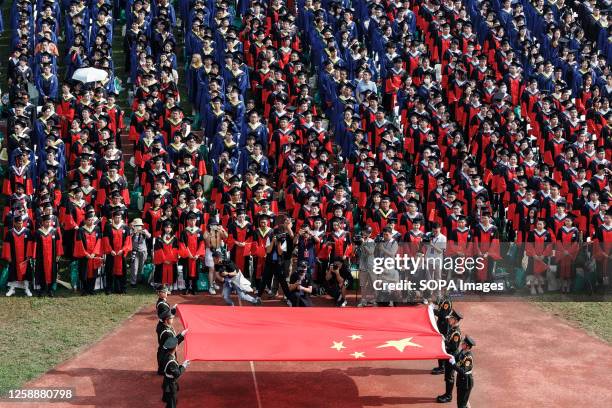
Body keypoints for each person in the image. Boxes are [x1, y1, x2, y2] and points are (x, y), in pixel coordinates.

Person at [32, 214, 63, 297]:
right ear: (42, 222)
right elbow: (35, 245)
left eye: (49, 222)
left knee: (52, 272)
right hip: (41, 257)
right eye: (46, 222)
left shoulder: (54, 231)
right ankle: (42, 289)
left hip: (52, 257)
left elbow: (58, 244)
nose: (48, 223)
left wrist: (58, 254)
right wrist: (34, 256)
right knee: (41, 272)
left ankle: (50, 290)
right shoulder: (38, 232)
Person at [3, 216, 33, 297]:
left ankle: (27, 288)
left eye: (21, 223)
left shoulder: (27, 231)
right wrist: (8, 256)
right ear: (14, 223)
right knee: (13, 272)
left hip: (24, 257)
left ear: (23, 223)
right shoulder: (10, 232)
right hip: (13, 257)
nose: (20, 224)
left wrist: (29, 255)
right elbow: (6, 245)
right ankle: (12, 289)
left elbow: (30, 244)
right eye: (18, 223)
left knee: (26, 273)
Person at [74, 212, 103, 295]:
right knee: (84, 273)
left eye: (92, 220)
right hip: (84, 256)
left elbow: (99, 242)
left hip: (94, 256)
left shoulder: (97, 228)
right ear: (85, 220)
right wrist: (85, 253)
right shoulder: (81, 230)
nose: (91, 222)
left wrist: (94, 253)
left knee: (94, 272)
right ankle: (85, 289)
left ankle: (91, 289)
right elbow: (79, 244)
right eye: (89, 220)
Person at [437, 309, 463, 403]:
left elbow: (454, 346)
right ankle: (447, 394)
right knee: (447, 376)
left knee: (449, 377)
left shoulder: (456, 333)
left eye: (451, 319)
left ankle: (449, 396)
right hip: (449, 354)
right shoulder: (452, 328)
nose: (449, 320)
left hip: (452, 356)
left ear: (455, 320)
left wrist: (444, 341)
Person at [160, 336, 190, 408]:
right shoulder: (171, 362)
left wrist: (182, 335)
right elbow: (177, 374)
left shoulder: (166, 354)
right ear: (176, 347)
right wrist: (184, 366)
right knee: (172, 403)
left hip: (167, 381)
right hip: (170, 384)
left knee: (170, 401)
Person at [156, 309, 187, 375]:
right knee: (168, 369)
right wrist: (182, 336)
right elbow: (172, 343)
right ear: (166, 320)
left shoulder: (163, 325)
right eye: (171, 318)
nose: (173, 318)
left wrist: (181, 334)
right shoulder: (167, 333)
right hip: (166, 353)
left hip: (163, 351)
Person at [449, 336, 476, 408]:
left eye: (463, 343)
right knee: (460, 402)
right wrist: (452, 357)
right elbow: (457, 358)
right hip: (461, 381)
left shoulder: (468, 358)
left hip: (466, 382)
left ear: (467, 346)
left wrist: (454, 364)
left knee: (462, 404)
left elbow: (463, 371)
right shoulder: (462, 351)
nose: (461, 344)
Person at [431, 298, 453, 375]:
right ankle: (441, 366)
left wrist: (432, 310)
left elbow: (442, 314)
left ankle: (442, 367)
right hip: (442, 324)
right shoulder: (443, 299)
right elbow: (439, 304)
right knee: (439, 346)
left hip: (444, 326)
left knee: (442, 347)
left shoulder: (446, 301)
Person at [130, 218, 151, 287]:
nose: (138, 227)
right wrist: (133, 233)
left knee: (141, 266)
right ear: (134, 226)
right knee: (134, 267)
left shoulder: (144, 231)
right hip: (134, 251)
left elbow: (149, 236)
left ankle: (139, 279)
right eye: (136, 225)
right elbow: (127, 238)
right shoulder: (131, 231)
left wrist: (144, 232)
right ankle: (133, 282)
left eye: (139, 225)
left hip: (143, 251)